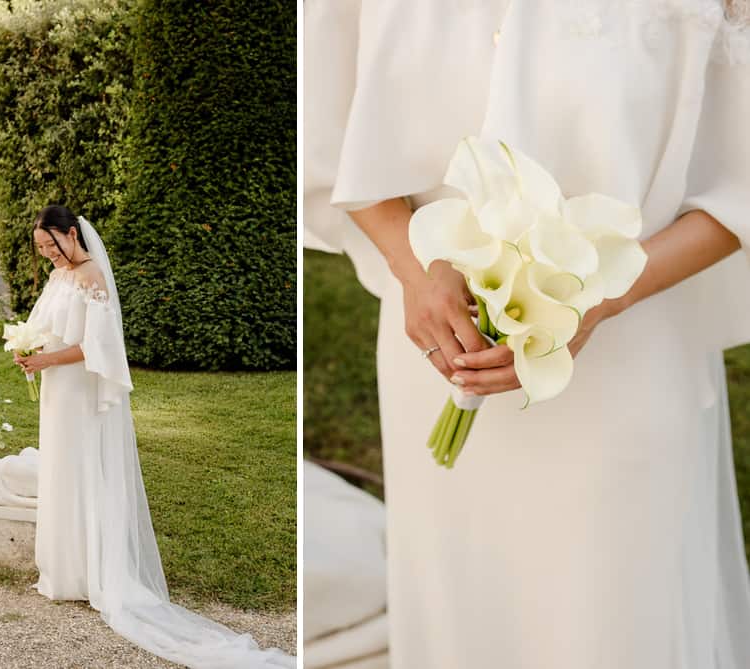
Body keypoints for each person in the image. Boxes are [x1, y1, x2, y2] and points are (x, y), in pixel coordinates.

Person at [305, 1, 750, 667]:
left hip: (627, 359)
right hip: (438, 342)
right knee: (465, 607)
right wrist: (417, 270)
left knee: (613, 616)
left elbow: (738, 189)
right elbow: (325, 120)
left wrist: (597, 301)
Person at [14, 205, 294, 668]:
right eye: (41, 249)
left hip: (80, 390)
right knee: (63, 469)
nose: (48, 255)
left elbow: (98, 348)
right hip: (56, 392)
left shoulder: (91, 278)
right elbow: (46, 328)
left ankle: (101, 571)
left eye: (52, 245)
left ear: (71, 234)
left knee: (85, 467)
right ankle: (69, 570)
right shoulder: (58, 277)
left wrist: (45, 360)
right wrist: (27, 348)